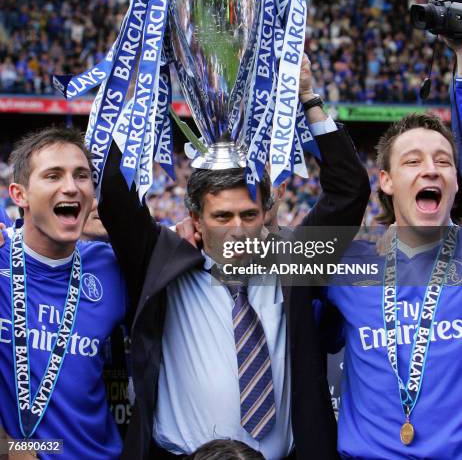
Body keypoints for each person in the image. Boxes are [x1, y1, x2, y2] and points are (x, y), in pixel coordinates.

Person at [99, 54, 370, 460]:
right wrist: (141, 99)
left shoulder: (292, 264)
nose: (238, 229)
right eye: (222, 216)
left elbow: (349, 192)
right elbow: (115, 196)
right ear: (196, 218)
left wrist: (308, 99)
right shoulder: (162, 263)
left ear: (266, 215)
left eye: (249, 214)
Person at [326, 112, 462, 458]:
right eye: (413, 160)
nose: (430, 169)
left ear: (456, 181)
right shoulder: (346, 265)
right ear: (386, 180)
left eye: (443, 161)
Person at [0, 127, 126, 460]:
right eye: (53, 176)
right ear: (19, 195)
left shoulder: (114, 267)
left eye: (81, 175)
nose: (70, 187)